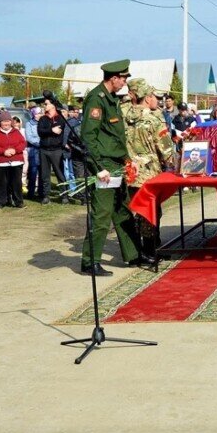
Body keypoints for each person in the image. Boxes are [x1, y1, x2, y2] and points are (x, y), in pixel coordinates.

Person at [78, 60, 149, 276]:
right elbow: (88, 137)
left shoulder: (112, 100)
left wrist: (127, 159)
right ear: (113, 78)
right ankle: (90, 261)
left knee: (123, 210)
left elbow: (115, 136)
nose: (125, 82)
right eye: (123, 78)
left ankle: (133, 254)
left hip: (117, 164)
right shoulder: (97, 99)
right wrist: (98, 167)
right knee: (102, 214)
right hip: (104, 166)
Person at [124, 79, 175, 260]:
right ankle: (150, 250)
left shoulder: (122, 115)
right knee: (151, 211)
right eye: (153, 95)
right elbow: (166, 148)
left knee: (134, 209)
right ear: (147, 98)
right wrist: (175, 164)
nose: (156, 99)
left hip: (129, 172)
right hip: (150, 173)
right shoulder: (153, 119)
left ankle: (137, 249)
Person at [0, 111, 26, 208]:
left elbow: (22, 143)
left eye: (8, 121)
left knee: (16, 183)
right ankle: (1, 201)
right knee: (1, 183)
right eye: (4, 121)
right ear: (0, 122)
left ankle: (18, 201)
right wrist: (3, 151)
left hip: (16, 161)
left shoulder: (16, 132)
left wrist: (15, 150)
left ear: (11, 122)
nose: (6, 123)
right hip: (0, 162)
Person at [37, 100, 69, 204]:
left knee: (60, 174)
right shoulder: (42, 119)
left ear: (53, 106)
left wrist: (49, 131)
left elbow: (59, 131)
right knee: (45, 175)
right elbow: (40, 132)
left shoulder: (60, 118)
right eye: (44, 104)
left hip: (56, 150)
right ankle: (46, 196)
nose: (44, 105)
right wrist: (51, 130)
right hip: (44, 150)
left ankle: (64, 196)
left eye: (46, 104)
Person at [23, 106, 42, 200]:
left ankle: (41, 192)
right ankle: (31, 192)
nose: (39, 115)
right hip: (33, 150)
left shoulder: (43, 123)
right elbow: (29, 137)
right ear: (33, 114)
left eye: (40, 113)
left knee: (42, 171)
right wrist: (40, 142)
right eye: (37, 113)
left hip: (42, 150)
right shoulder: (29, 124)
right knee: (33, 171)